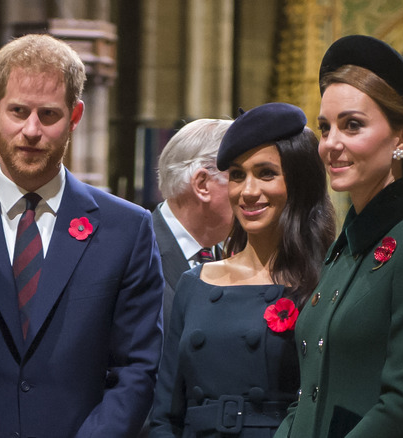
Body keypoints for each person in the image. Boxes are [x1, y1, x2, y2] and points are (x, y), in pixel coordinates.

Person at [0, 33, 164, 437]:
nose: (31, 130)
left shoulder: (126, 230)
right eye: (18, 111)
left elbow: (137, 369)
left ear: (75, 115)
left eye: (48, 115)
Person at [275, 34, 403, 438]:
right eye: (325, 128)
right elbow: (307, 393)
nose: (331, 144)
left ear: (402, 138)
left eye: (352, 126)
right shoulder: (343, 248)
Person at [149, 102, 336, 437]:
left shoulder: (327, 281)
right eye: (237, 175)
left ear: (300, 182)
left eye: (266, 173)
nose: (248, 191)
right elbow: (165, 413)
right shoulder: (196, 283)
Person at [153, 118, 234, 331]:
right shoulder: (136, 250)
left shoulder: (234, 254)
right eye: (239, 176)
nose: (251, 191)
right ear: (202, 184)